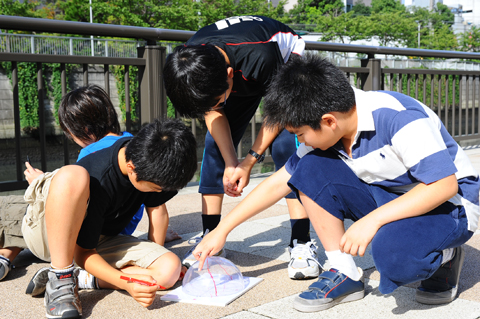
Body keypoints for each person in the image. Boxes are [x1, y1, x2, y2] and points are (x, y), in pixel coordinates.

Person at [192, 54, 479, 312]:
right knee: (310, 168)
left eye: (300, 135)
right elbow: (278, 182)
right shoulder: (331, 127)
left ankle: (446, 257)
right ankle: (345, 272)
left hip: (449, 206)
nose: (300, 141)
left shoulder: (398, 118)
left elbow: (443, 186)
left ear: (328, 121)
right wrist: (222, 230)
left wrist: (373, 221)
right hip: (391, 195)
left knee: (393, 257)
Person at [163, 15, 319, 279]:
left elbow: (278, 112)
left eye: (218, 99)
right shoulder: (191, 62)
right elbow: (213, 112)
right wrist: (230, 163)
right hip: (236, 71)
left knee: (285, 147)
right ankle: (210, 238)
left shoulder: (260, 55)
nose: (215, 105)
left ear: (228, 77)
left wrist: (248, 161)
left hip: (281, 59)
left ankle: (301, 242)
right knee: (214, 149)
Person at [17, 100, 196, 319]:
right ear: (132, 169)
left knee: (169, 271)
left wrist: (155, 254)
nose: (160, 192)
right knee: (73, 176)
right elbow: (83, 253)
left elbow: (157, 209)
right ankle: (61, 276)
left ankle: (83, 278)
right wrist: (127, 283)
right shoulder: (99, 172)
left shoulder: (152, 159)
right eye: (157, 188)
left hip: (99, 239)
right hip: (52, 235)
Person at [65, 84, 180, 241]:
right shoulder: (132, 141)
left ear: (84, 130)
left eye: (71, 134)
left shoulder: (89, 153)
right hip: (128, 223)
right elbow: (157, 205)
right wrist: (157, 243)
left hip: (101, 229)